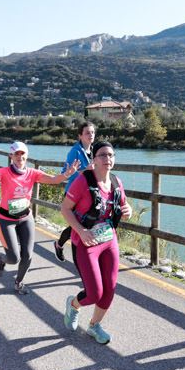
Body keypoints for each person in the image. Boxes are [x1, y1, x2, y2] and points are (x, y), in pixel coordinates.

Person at [0, 141, 79, 294]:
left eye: (22, 153)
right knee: (14, 258)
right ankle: (2, 259)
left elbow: (53, 180)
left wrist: (67, 174)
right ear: (11, 156)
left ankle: (18, 282)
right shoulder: (5, 172)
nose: (20, 156)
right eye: (17, 153)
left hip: (25, 218)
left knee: (27, 255)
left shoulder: (33, 173)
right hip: (6, 220)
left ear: (26, 156)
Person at [60, 141, 132, 344]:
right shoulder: (84, 180)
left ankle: (94, 325)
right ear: (94, 159)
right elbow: (65, 208)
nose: (107, 159)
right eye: (102, 155)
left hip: (109, 241)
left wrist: (129, 211)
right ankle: (73, 304)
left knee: (109, 290)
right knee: (94, 293)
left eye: (111, 155)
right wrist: (81, 231)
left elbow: (124, 206)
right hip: (86, 242)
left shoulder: (117, 182)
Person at [52, 121, 96, 263]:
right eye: (87, 133)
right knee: (78, 226)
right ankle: (82, 261)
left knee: (81, 226)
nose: (91, 135)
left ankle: (60, 245)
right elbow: (65, 173)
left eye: (92, 132)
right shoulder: (75, 151)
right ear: (80, 136)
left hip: (88, 194)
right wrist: (85, 170)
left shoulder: (94, 151)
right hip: (73, 195)